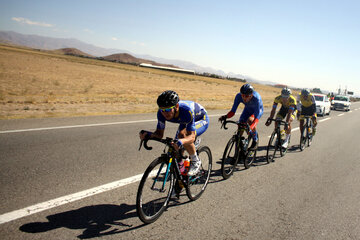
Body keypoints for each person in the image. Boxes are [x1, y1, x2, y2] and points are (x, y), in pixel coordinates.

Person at [139, 90, 209, 176]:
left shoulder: (186, 111)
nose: (165, 113)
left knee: (184, 137)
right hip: (183, 120)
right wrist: (149, 135)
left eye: (168, 109)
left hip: (200, 118)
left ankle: (195, 161)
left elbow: (192, 136)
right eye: (162, 110)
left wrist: (182, 141)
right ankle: (181, 170)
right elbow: (159, 134)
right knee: (176, 148)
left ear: (176, 106)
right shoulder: (161, 114)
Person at [219, 83, 264, 150]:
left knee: (250, 121)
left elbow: (256, 118)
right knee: (241, 125)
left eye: (246, 96)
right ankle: (238, 153)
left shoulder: (256, 99)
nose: (243, 98)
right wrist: (225, 117)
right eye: (242, 95)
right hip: (247, 109)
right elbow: (232, 112)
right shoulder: (238, 96)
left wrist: (251, 127)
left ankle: (255, 139)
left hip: (257, 111)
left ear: (251, 95)